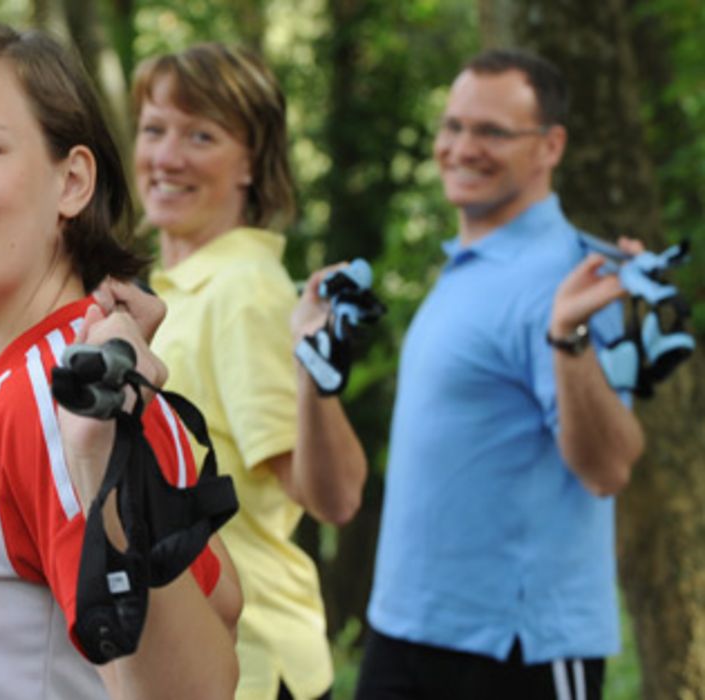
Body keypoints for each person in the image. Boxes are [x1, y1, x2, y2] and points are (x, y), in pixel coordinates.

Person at [0, 20, 242, 699]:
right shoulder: (36, 380)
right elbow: (222, 595)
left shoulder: (53, 398)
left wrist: (99, 462)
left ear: (73, 181)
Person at [356, 49, 644, 700]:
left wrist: (566, 336)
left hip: (515, 653)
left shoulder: (572, 276)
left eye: (490, 131)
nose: (461, 148)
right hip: (403, 632)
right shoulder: (467, 264)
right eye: (452, 126)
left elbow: (608, 468)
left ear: (550, 146)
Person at [131, 43, 368, 700]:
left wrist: (316, 377)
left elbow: (329, 495)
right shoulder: (171, 291)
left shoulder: (244, 293)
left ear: (250, 165)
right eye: (154, 130)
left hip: (253, 664)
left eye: (200, 135)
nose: (166, 157)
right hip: (194, 654)